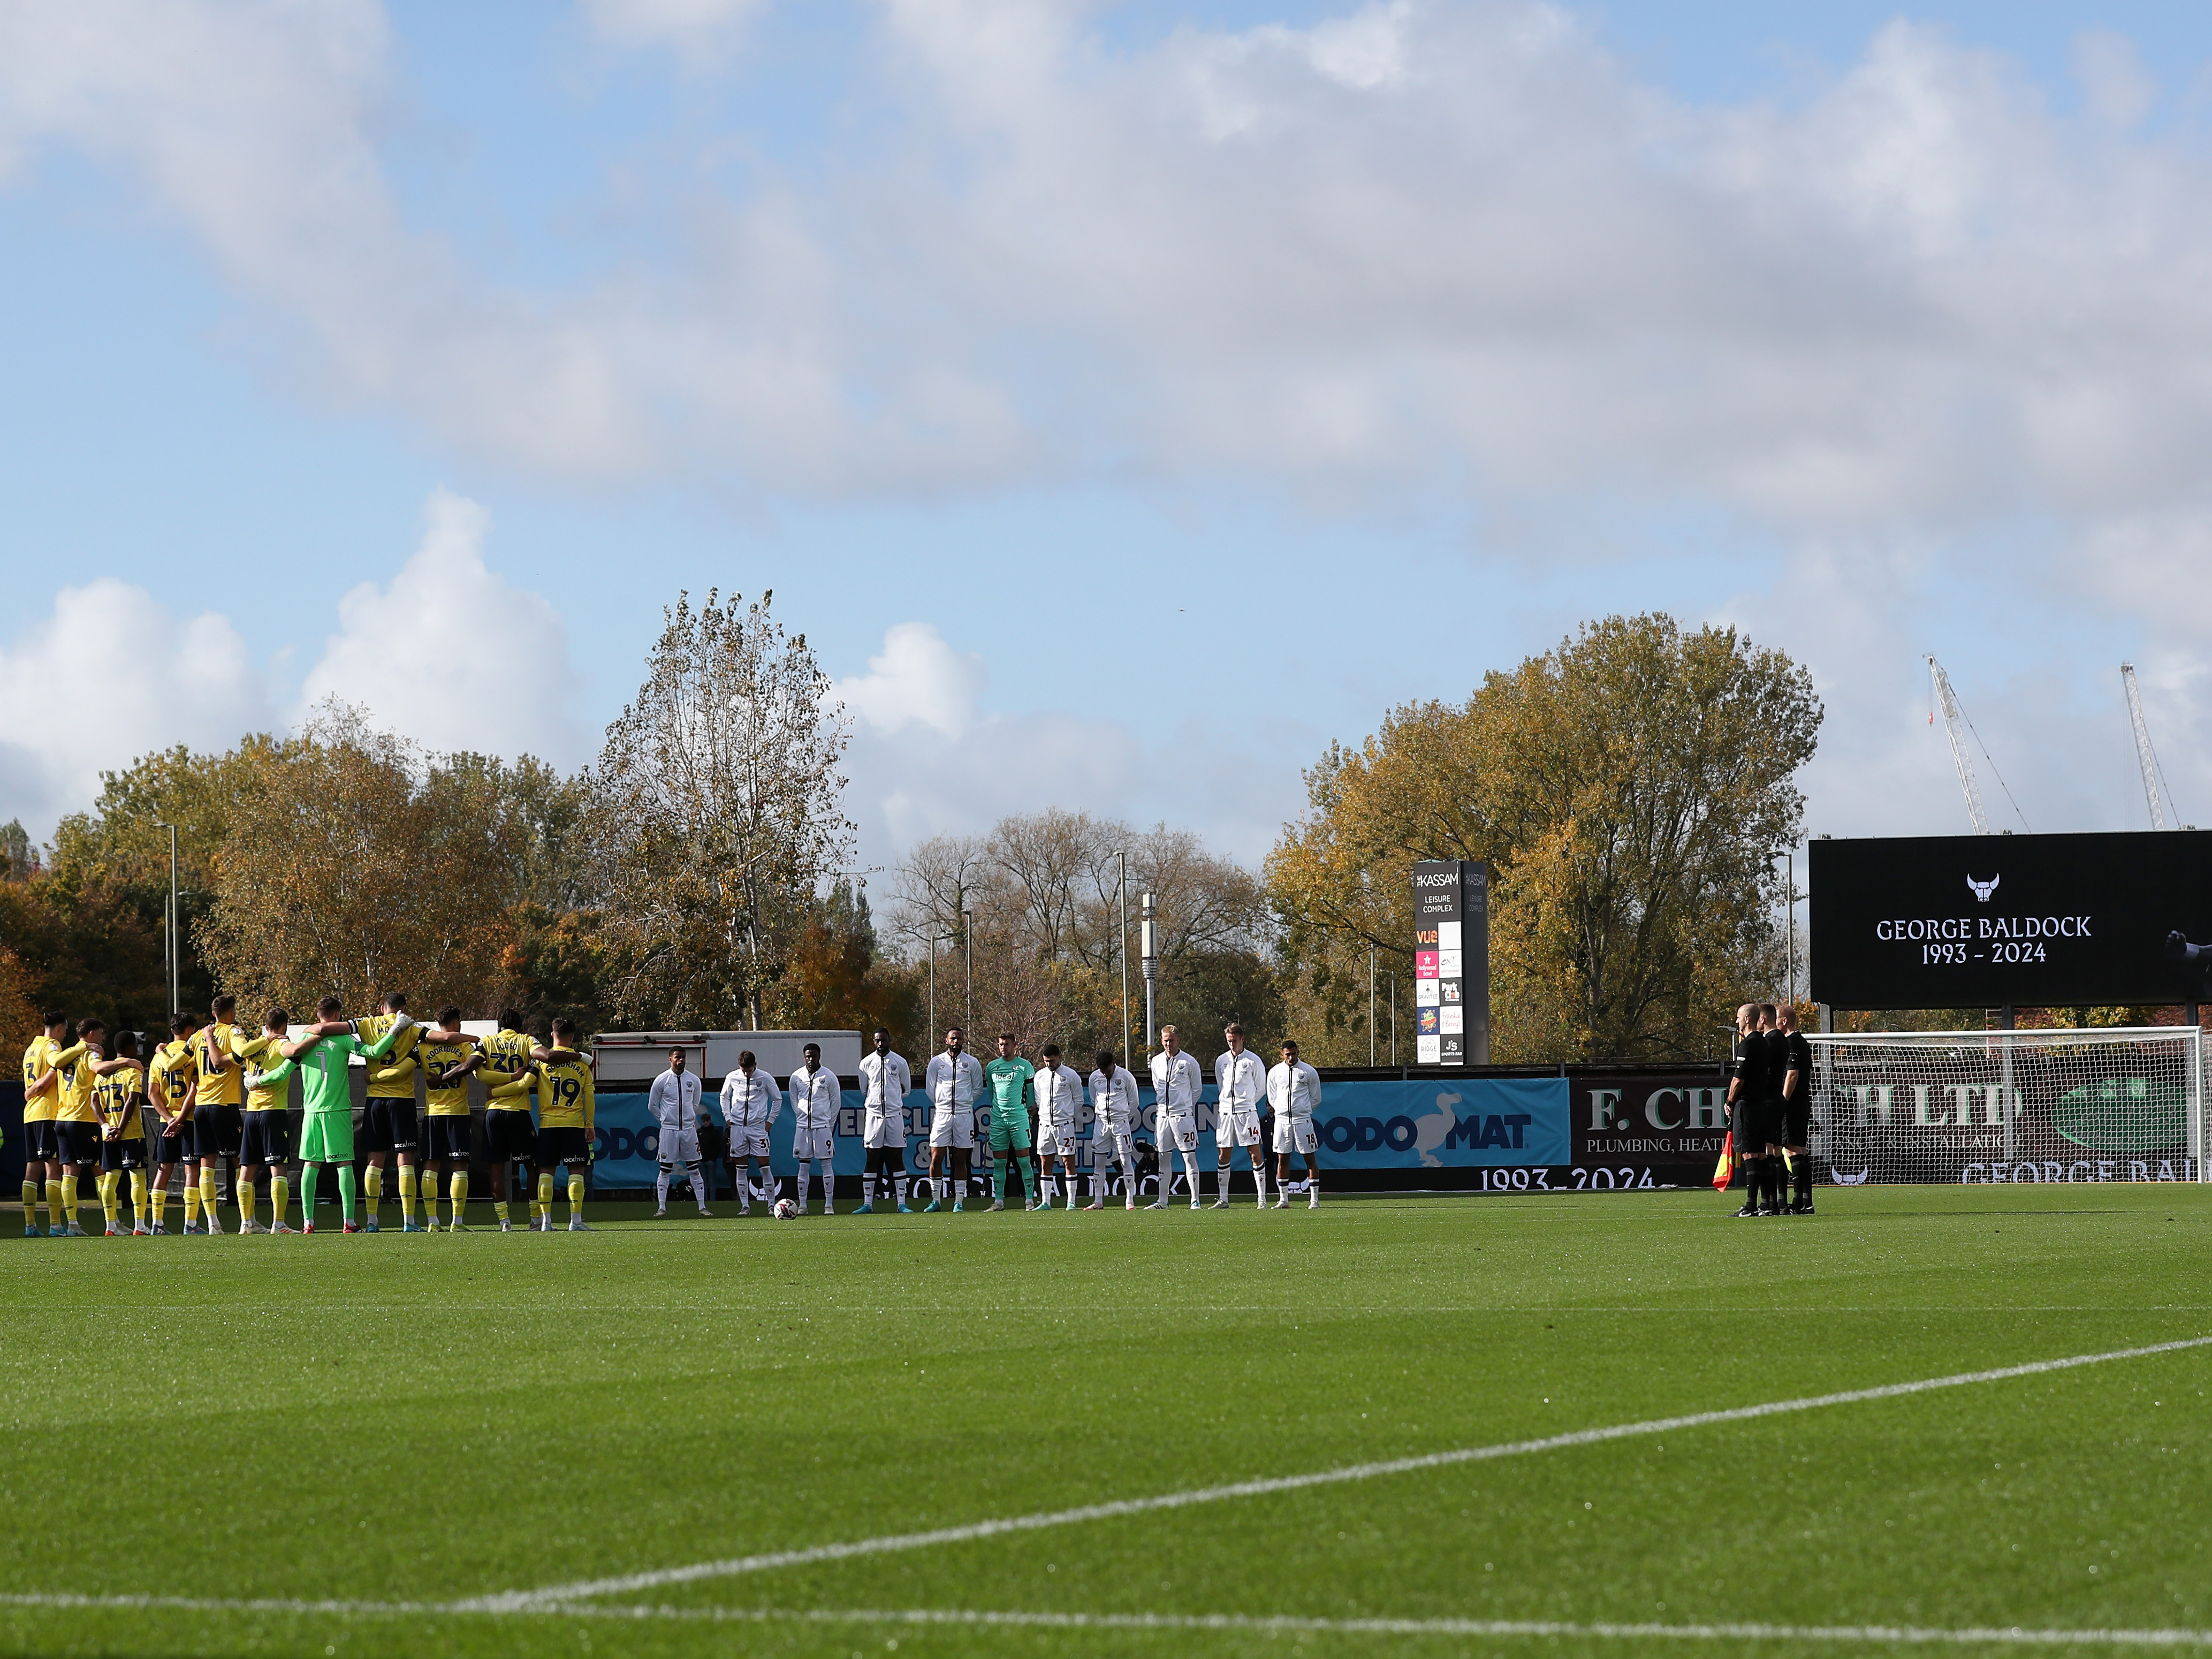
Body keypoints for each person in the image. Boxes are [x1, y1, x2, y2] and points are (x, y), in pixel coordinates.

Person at [245, 996, 411, 1233]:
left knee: (310, 1166)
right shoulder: (343, 1038)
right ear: (337, 1015)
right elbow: (375, 1052)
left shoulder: (303, 1039)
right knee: (344, 1165)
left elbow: (282, 1073)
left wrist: (256, 1081)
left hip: (312, 1111)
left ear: (318, 1013)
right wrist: (395, 1029)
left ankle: (307, 1223)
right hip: (337, 1110)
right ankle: (349, 1222)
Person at [507, 1018, 595, 1232]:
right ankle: (576, 1221)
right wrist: (589, 1124)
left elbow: (524, 1084)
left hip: (548, 1126)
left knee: (545, 1173)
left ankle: (546, 1222)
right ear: (573, 1038)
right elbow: (589, 1096)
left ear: (552, 1034)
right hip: (573, 1124)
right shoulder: (582, 1064)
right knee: (577, 1172)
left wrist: (496, 1092)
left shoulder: (540, 1062)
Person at [349, 992, 425, 1232]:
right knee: (406, 1160)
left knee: (374, 1161)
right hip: (401, 1101)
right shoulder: (412, 1028)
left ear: (382, 1008)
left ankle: (372, 1221)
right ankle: (409, 1221)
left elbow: (335, 1027)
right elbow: (441, 1037)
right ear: (404, 1008)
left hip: (375, 1102)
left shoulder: (367, 1023)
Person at [53, 1018, 131, 1238]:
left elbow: (56, 1063)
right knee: (101, 1171)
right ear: (91, 1034)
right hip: (83, 1120)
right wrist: (125, 1062)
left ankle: (73, 1225)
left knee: (69, 1173)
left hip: (62, 1119)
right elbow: (98, 1068)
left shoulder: (69, 1053)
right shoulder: (91, 1053)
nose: (103, 1038)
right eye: (100, 1033)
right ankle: (111, 1223)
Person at [19, 1009, 81, 1237]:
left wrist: (32, 1089)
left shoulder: (31, 1049)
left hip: (31, 1114)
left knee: (32, 1168)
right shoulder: (52, 1046)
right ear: (58, 1028)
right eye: (64, 1030)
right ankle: (55, 1225)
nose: (65, 1035)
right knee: (52, 1167)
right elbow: (56, 1067)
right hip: (47, 1111)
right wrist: (39, 1086)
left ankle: (30, 1225)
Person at [188, 996, 246, 1235]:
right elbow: (236, 1054)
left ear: (213, 1013)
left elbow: (178, 1062)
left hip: (202, 1107)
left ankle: (213, 1222)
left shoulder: (197, 1036)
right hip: (225, 1106)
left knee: (206, 1166)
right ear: (231, 1012)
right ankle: (247, 1222)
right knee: (242, 1163)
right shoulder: (233, 1032)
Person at [416, 1009, 479, 1231]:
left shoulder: (422, 1046)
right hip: (458, 1112)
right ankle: (457, 1221)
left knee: (430, 1167)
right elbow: (471, 1066)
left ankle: (432, 1221)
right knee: (460, 1167)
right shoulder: (464, 1046)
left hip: (433, 1113)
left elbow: (404, 1064)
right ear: (455, 1023)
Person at [233, 1008, 295, 1234]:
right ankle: (278, 1224)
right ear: (284, 1026)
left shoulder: (254, 1046)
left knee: (247, 1168)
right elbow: (293, 1052)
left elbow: (239, 1051)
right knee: (277, 1167)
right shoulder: (280, 1045)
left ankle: (246, 1224)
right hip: (273, 1111)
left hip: (251, 1113)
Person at [144, 1014, 201, 1236]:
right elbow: (194, 1089)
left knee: (163, 1170)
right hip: (190, 1119)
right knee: (192, 1171)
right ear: (190, 1030)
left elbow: (152, 1094)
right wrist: (180, 1118)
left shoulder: (159, 1057)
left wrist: (169, 1119)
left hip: (165, 1122)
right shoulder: (192, 1052)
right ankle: (191, 1224)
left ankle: (157, 1224)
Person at [90, 1029, 150, 1237]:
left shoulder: (102, 1075)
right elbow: (132, 1100)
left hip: (109, 1133)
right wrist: (121, 1128)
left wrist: (106, 1127)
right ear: (131, 1047)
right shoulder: (133, 1071)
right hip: (131, 1132)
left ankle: (110, 1225)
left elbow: (94, 1102)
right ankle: (140, 1225)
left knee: (111, 1178)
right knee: (138, 1177)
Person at [923, 1028, 983, 1213]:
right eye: (953, 1038)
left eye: (959, 1038)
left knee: (960, 1158)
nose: (956, 1041)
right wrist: (944, 1105)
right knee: (936, 1157)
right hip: (942, 1115)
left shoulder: (972, 1062)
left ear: (963, 1041)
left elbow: (978, 1089)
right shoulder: (937, 1062)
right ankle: (936, 1200)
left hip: (964, 1116)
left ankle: (959, 1201)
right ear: (946, 1041)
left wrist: (963, 1104)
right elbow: (930, 1089)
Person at [648, 1047, 712, 1219]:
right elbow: (653, 1106)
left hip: (689, 1130)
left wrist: (688, 1119)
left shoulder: (693, 1080)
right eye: (677, 1057)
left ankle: (702, 1207)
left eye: (683, 1057)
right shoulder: (662, 1080)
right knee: (665, 1169)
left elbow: (695, 1103)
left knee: (694, 1168)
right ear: (671, 1059)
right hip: (669, 1130)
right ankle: (662, 1207)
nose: (681, 1060)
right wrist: (665, 1120)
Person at [1212, 1022, 1270, 1210]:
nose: (1232, 1044)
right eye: (1229, 1041)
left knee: (1255, 1153)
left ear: (1242, 1039)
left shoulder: (1253, 1060)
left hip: (1247, 1113)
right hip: (1226, 1113)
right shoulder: (1221, 1061)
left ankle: (1261, 1198)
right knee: (1223, 1155)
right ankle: (1223, 1199)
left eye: (1235, 1041)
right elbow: (1222, 1086)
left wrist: (1248, 1102)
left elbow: (1261, 1087)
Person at [854, 1028, 913, 1214]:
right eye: (877, 1041)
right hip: (874, 1116)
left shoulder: (900, 1062)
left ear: (889, 1040)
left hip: (895, 1116)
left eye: (884, 1040)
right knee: (872, 1157)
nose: (881, 1044)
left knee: (897, 1157)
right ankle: (868, 1203)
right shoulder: (866, 1063)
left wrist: (893, 1101)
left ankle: (901, 1203)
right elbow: (865, 1090)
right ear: (874, 1042)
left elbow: (907, 1089)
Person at [1148, 1025, 1205, 1211]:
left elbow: (1196, 1090)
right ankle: (1163, 1201)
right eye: (1165, 1040)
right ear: (1161, 1041)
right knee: (1163, 1158)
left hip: (1183, 1117)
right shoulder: (1156, 1062)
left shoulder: (1189, 1062)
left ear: (1178, 1040)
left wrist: (1184, 1106)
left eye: (1172, 1040)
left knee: (1189, 1157)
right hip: (1163, 1116)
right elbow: (1158, 1086)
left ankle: (1195, 1200)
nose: (1168, 1044)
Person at [719, 1049, 780, 1217]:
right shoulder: (732, 1077)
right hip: (738, 1127)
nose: (747, 1073)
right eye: (744, 1070)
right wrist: (728, 1116)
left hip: (757, 1127)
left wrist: (770, 1121)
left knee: (765, 1167)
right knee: (741, 1168)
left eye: (750, 1070)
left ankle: (771, 1205)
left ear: (756, 1065)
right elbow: (724, 1096)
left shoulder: (765, 1077)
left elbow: (778, 1099)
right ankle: (745, 1206)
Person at [1725, 1002, 1772, 1218]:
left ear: (1747, 1019)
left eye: (1738, 1017)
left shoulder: (1748, 1044)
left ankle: (1751, 1205)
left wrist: (1730, 1101)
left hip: (1748, 1104)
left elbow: (1738, 1078)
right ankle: (1767, 1203)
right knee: (1761, 1154)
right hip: (1761, 1104)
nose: (1736, 1021)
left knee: (1748, 1153)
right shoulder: (1764, 1043)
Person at [982, 1033, 1037, 1212]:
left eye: (1006, 1044)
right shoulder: (992, 1067)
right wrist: (999, 1111)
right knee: (999, 1162)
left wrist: (1028, 1111)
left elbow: (1030, 1095)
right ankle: (999, 1202)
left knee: (1024, 1160)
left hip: (1018, 1118)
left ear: (1015, 1045)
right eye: (1000, 1045)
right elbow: (992, 1093)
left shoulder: (1025, 1066)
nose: (1003, 1048)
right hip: (999, 1119)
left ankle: (1029, 1200)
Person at [1268, 1040, 1324, 1209]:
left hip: (1303, 1122)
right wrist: (1283, 1112)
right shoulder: (1275, 1072)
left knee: (1310, 1159)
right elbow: (1272, 1097)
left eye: (1293, 1053)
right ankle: (1284, 1200)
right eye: (1287, 1054)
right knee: (1282, 1159)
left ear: (1298, 1052)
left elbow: (1316, 1098)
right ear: (1282, 1054)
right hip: (1282, 1123)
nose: (1291, 1057)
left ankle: (1314, 1200)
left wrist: (1303, 1110)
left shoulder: (1309, 1071)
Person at [786, 1041, 840, 1216]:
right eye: (808, 1056)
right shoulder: (796, 1077)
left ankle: (829, 1205)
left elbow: (835, 1103)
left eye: (814, 1056)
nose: (811, 1060)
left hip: (823, 1127)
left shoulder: (829, 1077)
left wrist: (827, 1124)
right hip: (803, 1128)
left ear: (819, 1057)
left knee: (826, 1166)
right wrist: (802, 1119)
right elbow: (794, 1101)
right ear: (804, 1057)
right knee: (803, 1167)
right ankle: (803, 1205)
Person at [1086, 1048, 1141, 1211]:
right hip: (1101, 1124)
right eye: (1103, 1071)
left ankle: (1130, 1201)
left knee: (1125, 1161)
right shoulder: (1095, 1078)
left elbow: (1134, 1102)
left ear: (1113, 1064)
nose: (1106, 1074)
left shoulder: (1125, 1076)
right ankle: (1098, 1201)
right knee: (1099, 1162)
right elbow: (1093, 1098)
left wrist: (1121, 1117)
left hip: (1121, 1124)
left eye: (1108, 1070)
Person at [1032, 1043, 1083, 1212]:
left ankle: (1071, 1202)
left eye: (1052, 1061)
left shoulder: (1071, 1075)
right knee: (1045, 1163)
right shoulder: (1039, 1076)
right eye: (1046, 1061)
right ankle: (1046, 1202)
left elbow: (1079, 1100)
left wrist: (1067, 1116)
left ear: (1059, 1057)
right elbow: (1039, 1100)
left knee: (1068, 1162)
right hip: (1045, 1125)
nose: (1049, 1064)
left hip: (1065, 1126)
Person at [1776, 1004, 1815, 1215]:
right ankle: (1806, 1202)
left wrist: (1783, 1100)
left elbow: (1793, 1074)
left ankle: (1799, 1202)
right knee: (1801, 1150)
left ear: (1784, 1021)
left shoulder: (1790, 1042)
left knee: (1792, 1150)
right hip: (1803, 1102)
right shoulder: (1803, 1043)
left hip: (1792, 1103)